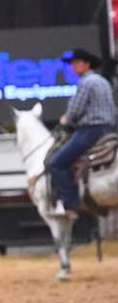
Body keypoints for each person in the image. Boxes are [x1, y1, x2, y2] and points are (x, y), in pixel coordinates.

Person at [48, 48, 116, 219]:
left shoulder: (85, 83)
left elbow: (75, 110)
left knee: (57, 162)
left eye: (77, 63)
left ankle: (70, 204)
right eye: (73, 64)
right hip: (109, 128)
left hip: (90, 130)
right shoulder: (103, 81)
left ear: (86, 64)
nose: (73, 67)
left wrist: (65, 120)